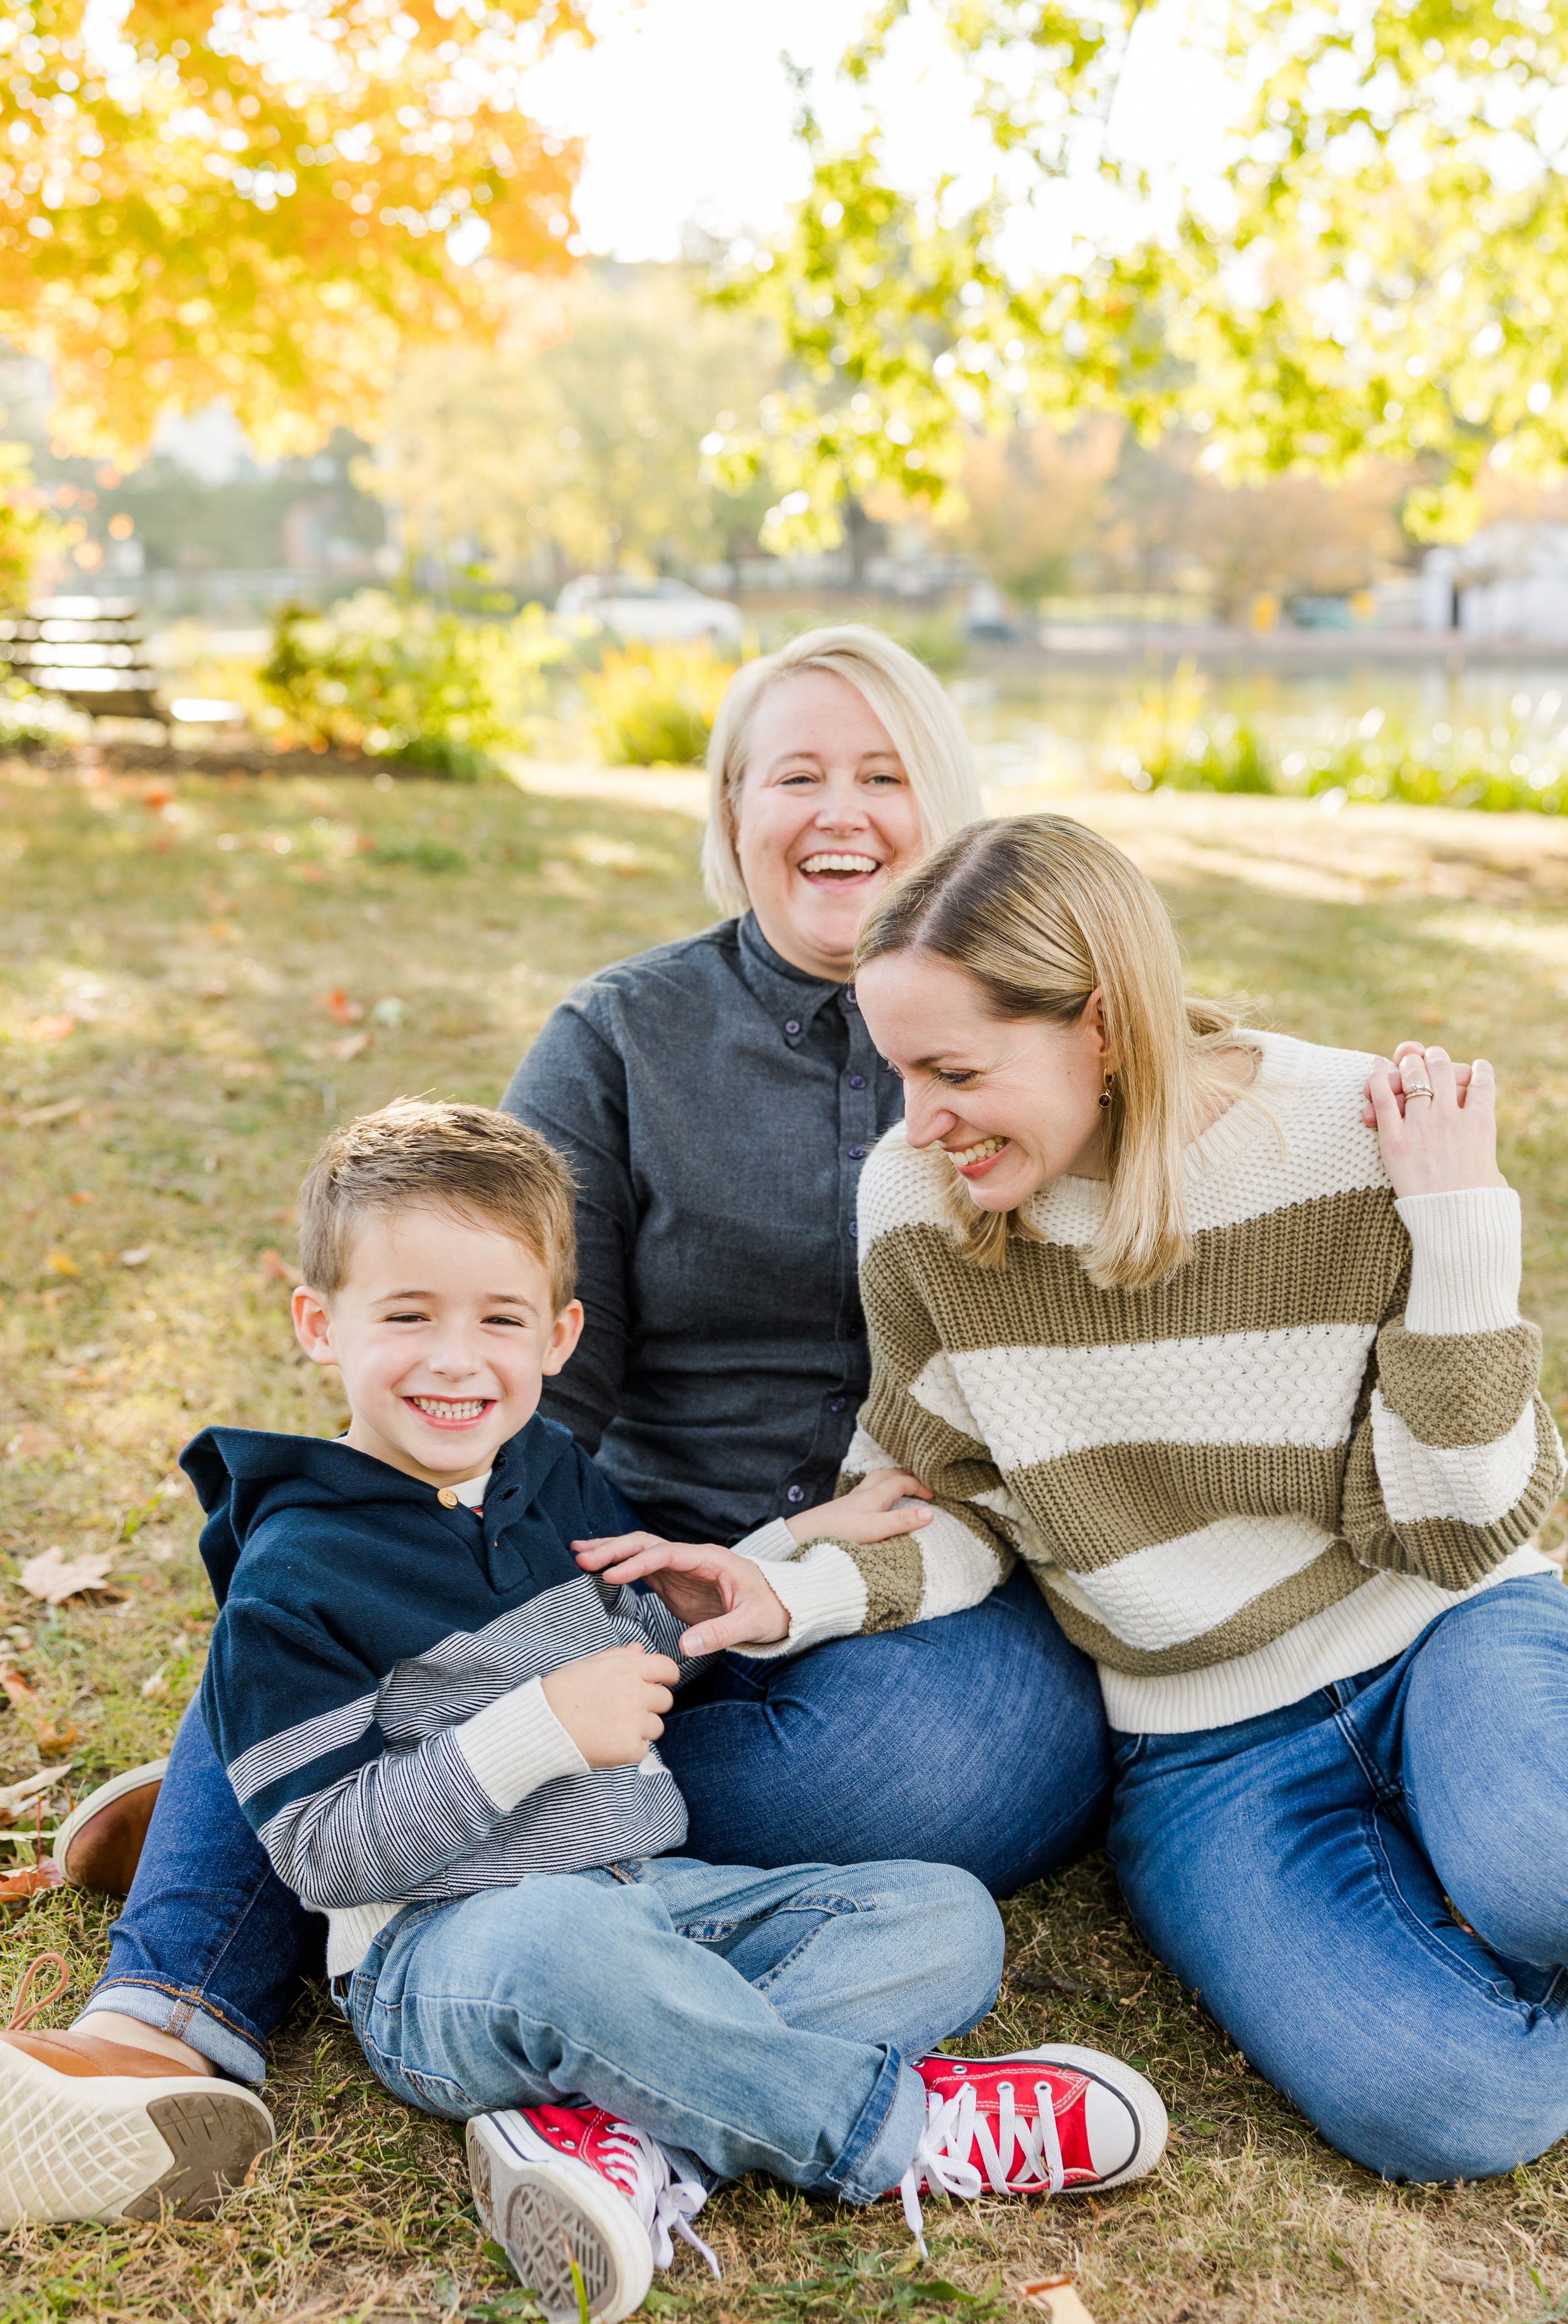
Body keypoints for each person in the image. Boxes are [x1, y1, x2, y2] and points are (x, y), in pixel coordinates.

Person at [44, 628, 1114, 2140]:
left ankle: (391, 1812)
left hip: (909, 1589)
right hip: (628, 1568)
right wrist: (494, 1623)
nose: (841, 812)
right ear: (731, 809)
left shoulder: (1026, 1032)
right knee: (321, 1582)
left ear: (949, 808)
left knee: (951, 1775)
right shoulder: (622, 1034)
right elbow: (512, 1377)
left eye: (885, 774)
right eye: (795, 773)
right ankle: (187, 1992)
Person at [0, 1102, 1169, 2292]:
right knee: (567, 1942)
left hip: (644, 1899)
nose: (457, 1359)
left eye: (500, 1320)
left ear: (560, 1334)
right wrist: (541, 1729)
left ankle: (616, 2125)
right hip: (450, 1952)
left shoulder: (549, 1476)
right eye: (408, 1316)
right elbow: (321, 1850)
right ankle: (897, 2133)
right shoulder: (297, 1567)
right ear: (318, 1323)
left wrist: (784, 1546)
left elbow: (637, 1628)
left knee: (941, 1920)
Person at [607, 809, 1562, 2185]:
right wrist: (788, 1588)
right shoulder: (920, 1206)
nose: (916, 1118)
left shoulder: (1357, 1136)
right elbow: (946, 1497)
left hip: (1445, 1629)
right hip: (1208, 1747)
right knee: (1453, 2110)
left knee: (1539, 1859)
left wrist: (1459, 1229)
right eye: (896, 1070)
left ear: (1101, 1025)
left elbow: (1467, 1526)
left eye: (954, 1068)